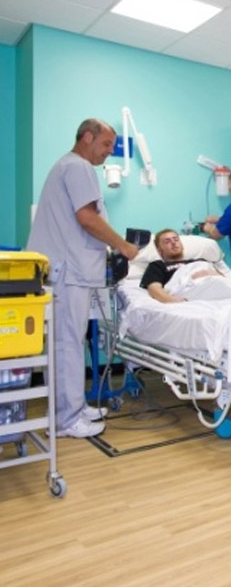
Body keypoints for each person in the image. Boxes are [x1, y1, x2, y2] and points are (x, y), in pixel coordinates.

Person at [27, 118, 140, 439]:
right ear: (88, 137)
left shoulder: (67, 166)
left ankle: (72, 407)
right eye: (106, 144)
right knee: (67, 344)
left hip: (66, 271)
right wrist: (122, 245)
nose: (109, 152)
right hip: (68, 272)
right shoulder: (78, 167)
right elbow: (87, 217)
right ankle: (67, 419)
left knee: (68, 343)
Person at [140, 229, 222, 303]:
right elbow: (154, 289)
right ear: (159, 250)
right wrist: (172, 300)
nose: (173, 243)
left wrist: (208, 273)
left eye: (176, 239)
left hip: (212, 292)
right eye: (167, 241)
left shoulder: (200, 261)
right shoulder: (157, 265)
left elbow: (222, 279)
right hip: (187, 296)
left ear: (182, 245)